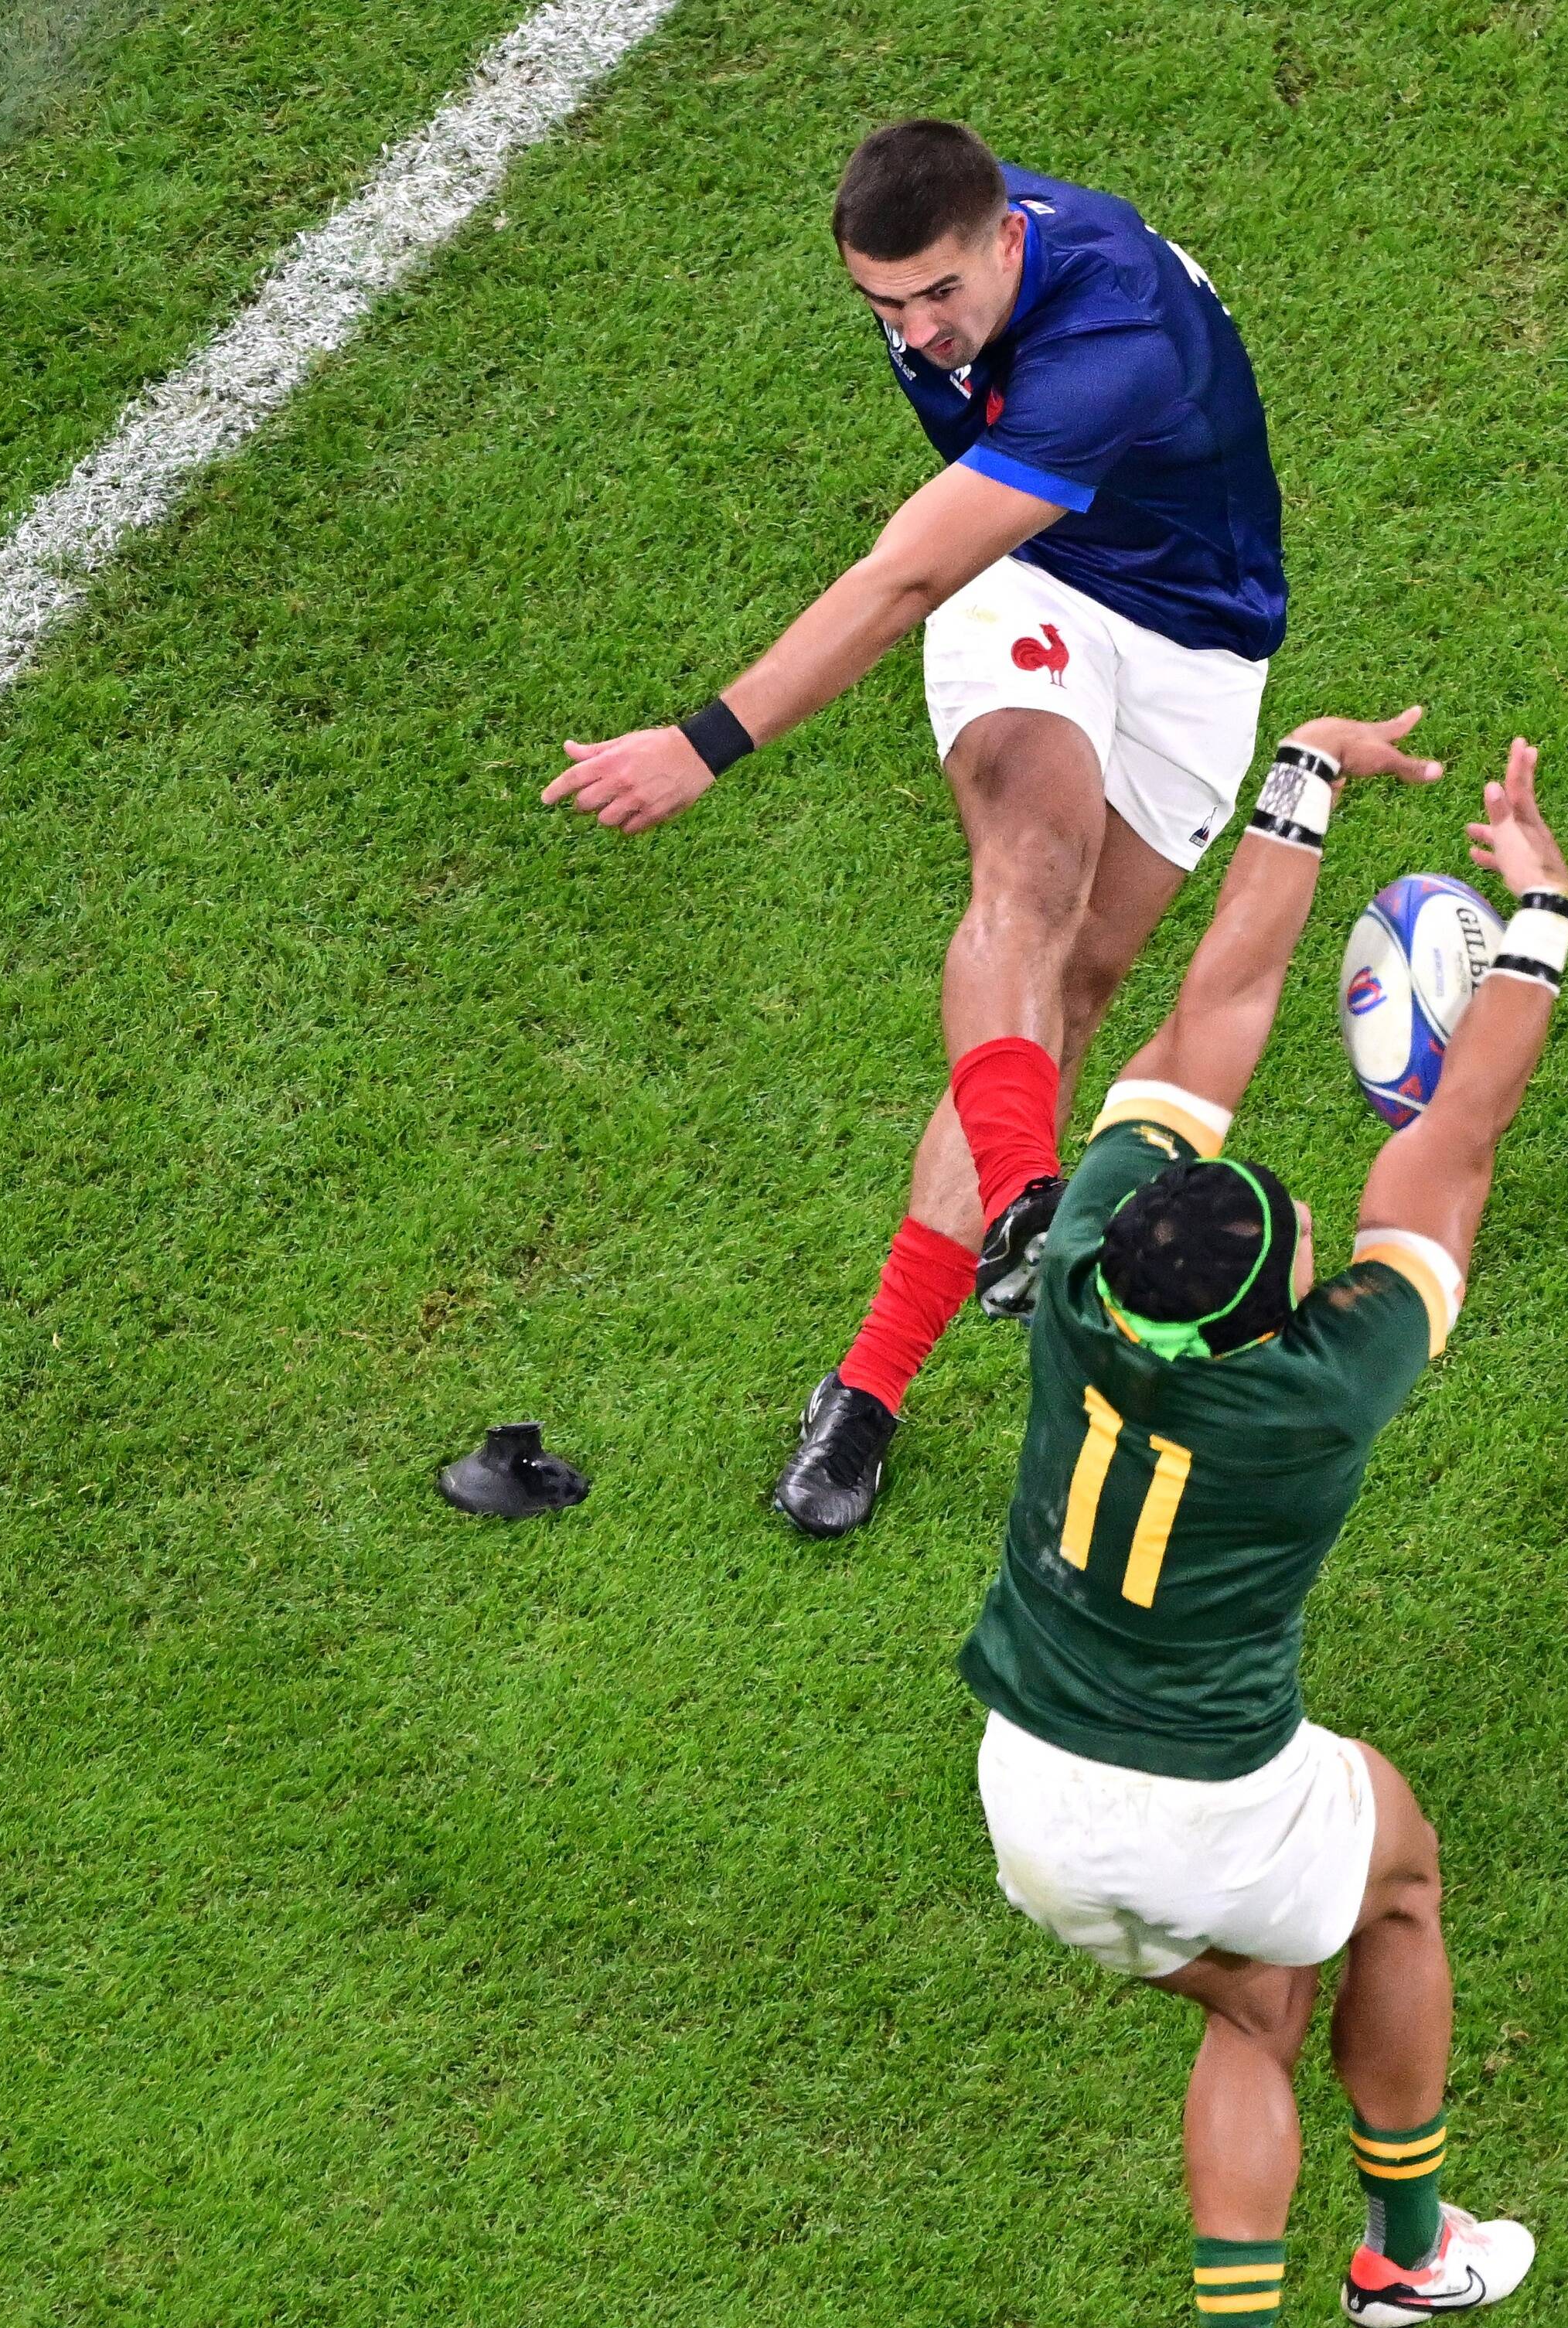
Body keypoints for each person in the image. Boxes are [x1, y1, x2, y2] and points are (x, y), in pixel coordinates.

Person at [542, 118, 1326, 1537]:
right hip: (1030, 571)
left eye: (938, 298)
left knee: (1070, 989)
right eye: (883, 305)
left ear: (1010, 240)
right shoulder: (949, 260)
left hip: (1197, 644)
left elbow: (900, 577)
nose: (915, 333)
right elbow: (941, 568)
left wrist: (699, 746)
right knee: (1031, 866)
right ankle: (889, 1364)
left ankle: (993, 1232)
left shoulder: (1111, 340)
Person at [959, 717, 1568, 2328]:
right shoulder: (1316, 1390)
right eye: (1296, 1238)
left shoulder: (1086, 1270)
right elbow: (1455, 1140)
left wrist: (1299, 780)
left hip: (1029, 1797)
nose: (1306, 1223)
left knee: (1255, 2002)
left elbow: (1210, 1015)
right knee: (1400, 1868)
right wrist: (1537, 925)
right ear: (1272, 1312)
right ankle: (1408, 2253)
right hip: (1209, 1799)